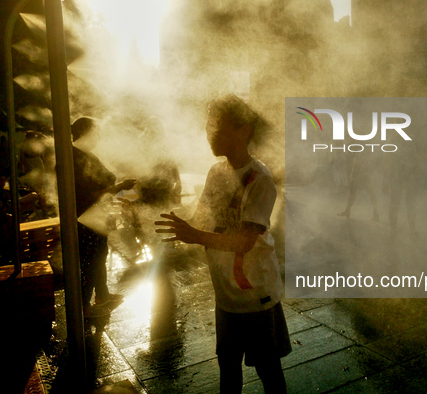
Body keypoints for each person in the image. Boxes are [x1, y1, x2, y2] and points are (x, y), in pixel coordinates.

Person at [155, 94, 291, 393]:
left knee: (268, 368)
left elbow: (244, 241)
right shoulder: (216, 172)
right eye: (207, 127)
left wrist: (194, 235)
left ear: (243, 131)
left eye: (217, 128)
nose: (209, 135)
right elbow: (201, 217)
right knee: (227, 365)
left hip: (256, 294)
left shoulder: (259, 178)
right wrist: (176, 225)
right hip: (225, 293)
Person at [71, 117, 136, 318]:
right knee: (90, 261)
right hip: (85, 218)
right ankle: (83, 307)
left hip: (98, 215)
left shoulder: (86, 154)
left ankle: (102, 295)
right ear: (86, 133)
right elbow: (88, 195)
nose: (99, 137)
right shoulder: (75, 157)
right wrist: (120, 187)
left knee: (100, 255)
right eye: (96, 133)